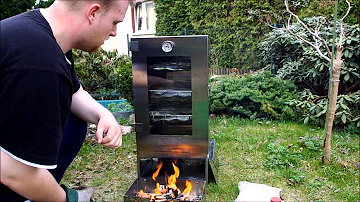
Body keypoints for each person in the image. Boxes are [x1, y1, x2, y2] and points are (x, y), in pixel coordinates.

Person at [0, 0, 131, 201]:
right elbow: (13, 172)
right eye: (115, 22)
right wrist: (68, 199)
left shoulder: (44, 33)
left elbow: (73, 91)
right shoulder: (39, 61)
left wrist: (103, 114)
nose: (114, 32)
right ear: (93, 13)